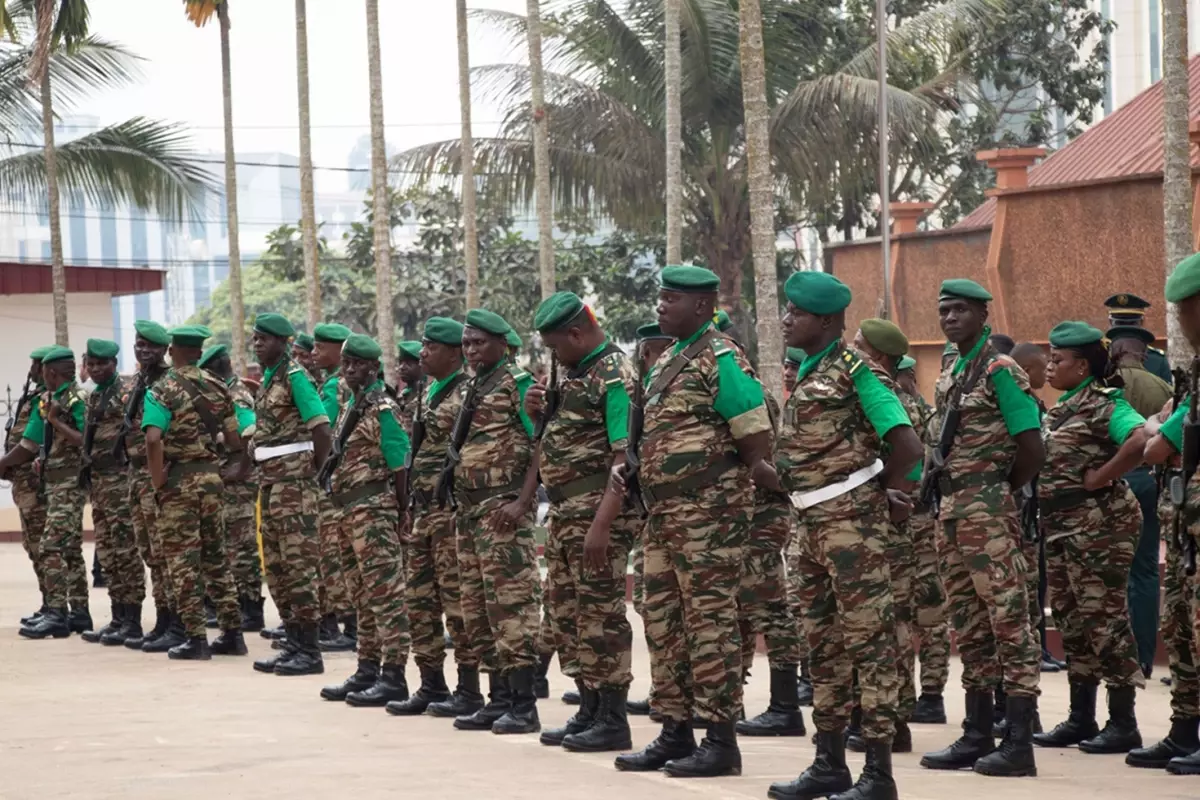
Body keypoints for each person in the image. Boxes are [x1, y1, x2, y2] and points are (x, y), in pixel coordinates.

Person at [612, 266, 773, 779]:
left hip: (710, 513)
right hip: (663, 513)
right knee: (660, 619)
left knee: (709, 621)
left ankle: (721, 739)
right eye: (660, 298)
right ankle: (674, 728)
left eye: (672, 299)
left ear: (703, 307)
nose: (661, 306)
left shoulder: (722, 357)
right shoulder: (667, 363)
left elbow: (755, 435)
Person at [766, 279, 920, 800]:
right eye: (788, 311)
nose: (788, 320)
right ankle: (828, 762)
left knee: (870, 645)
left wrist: (879, 490)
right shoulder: (811, 370)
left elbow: (907, 442)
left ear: (828, 323)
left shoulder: (858, 371)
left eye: (798, 313)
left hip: (851, 524)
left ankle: (878, 774)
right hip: (809, 524)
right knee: (823, 646)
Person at [920, 279, 1044, 779]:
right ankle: (977, 733)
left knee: (1010, 622)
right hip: (952, 512)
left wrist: (998, 489)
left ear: (983, 314)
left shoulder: (1000, 369)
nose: (950, 319)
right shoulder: (952, 370)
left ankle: (1018, 742)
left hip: (988, 512)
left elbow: (1032, 447)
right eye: (945, 311)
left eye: (961, 311)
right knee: (968, 625)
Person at [526, 292, 641, 752]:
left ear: (576, 333)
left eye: (556, 345)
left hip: (596, 513)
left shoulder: (614, 373)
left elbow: (623, 457)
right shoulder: (576, 371)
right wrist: (540, 411)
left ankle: (613, 718)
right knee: (571, 613)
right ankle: (590, 709)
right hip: (567, 513)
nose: (553, 355)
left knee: (600, 615)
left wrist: (602, 525)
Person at [1031, 321, 1146, 753]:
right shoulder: (1063, 407)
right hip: (1062, 528)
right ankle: (1082, 718)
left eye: (1058, 360)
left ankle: (1124, 722)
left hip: (1100, 526)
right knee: (1072, 621)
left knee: (1105, 619)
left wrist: (1101, 476)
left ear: (1082, 365)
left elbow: (1139, 438)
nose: (1049, 365)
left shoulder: (1104, 403)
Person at [443, 309, 543, 735]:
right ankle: (498, 698)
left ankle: (524, 705)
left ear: (503, 344)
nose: (470, 350)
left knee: (511, 608)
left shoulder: (517, 386)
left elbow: (541, 443)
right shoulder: (473, 388)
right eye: (466, 343)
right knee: (477, 609)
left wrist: (523, 501)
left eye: (478, 342)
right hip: (470, 514)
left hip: (502, 513)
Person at [386, 317, 479, 717]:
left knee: (457, 602)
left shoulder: (467, 393)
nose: (421, 353)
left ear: (455, 354)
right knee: (419, 600)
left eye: (431, 347)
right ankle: (431, 684)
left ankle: (470, 689)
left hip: (451, 513)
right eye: (422, 345)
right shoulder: (427, 390)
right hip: (424, 511)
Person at [848, 317, 933, 754]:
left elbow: (913, 462)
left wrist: (890, 494)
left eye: (859, 345)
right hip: (872, 523)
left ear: (878, 356)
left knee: (892, 622)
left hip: (892, 527)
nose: (852, 349)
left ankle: (895, 719)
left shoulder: (897, 402)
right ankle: (873, 715)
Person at [1131, 253, 1200, 775]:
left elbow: (1156, 446)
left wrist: (1161, 435)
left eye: (1186, 312)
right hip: (1186, 532)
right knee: (1180, 628)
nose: (1181, 324)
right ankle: (1183, 733)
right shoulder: (1195, 378)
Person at [318, 334, 412, 706]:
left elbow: (400, 462)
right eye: (346, 363)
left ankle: (394, 675)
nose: (349, 369)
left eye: (357, 363)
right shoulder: (353, 404)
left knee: (386, 595)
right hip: (349, 512)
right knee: (362, 596)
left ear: (373, 367)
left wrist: (404, 511)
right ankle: (367, 668)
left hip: (373, 512)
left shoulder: (383, 407)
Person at [142, 325, 247, 660]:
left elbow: (153, 439)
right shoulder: (218, 385)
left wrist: (158, 480)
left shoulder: (162, 388)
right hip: (212, 481)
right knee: (216, 557)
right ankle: (232, 634)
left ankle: (196, 638)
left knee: (182, 561)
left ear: (172, 351)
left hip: (178, 486)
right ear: (199, 353)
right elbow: (234, 440)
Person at [241, 313, 333, 676]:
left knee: (298, 570)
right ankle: (293, 644)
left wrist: (318, 477)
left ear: (282, 342)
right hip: (271, 484)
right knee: (277, 570)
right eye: (255, 338)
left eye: (264, 339)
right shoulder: (269, 379)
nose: (257, 344)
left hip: (295, 487)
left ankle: (310, 651)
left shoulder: (295, 378)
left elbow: (322, 429)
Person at [0, 347, 90, 638]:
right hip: (54, 483)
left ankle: (57, 613)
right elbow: (32, 443)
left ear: (50, 372)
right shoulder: (48, 399)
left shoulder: (75, 399)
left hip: (70, 483)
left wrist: (55, 421)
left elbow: (84, 440)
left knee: (50, 546)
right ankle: (78, 613)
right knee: (70, 549)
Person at [1108, 325, 1174, 677]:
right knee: (1145, 571)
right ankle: (1145, 658)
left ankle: (1117, 660)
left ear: (1114, 349)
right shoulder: (1162, 387)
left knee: (1107, 574)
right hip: (1149, 481)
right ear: (1143, 354)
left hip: (1112, 481)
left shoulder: (1104, 382)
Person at [118, 321, 183, 651]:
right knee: (150, 552)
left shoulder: (169, 383)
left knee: (165, 551)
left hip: (158, 475)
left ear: (164, 351)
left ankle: (177, 621)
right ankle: (162, 618)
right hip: (137, 475)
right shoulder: (139, 381)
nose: (144, 350)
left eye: (151, 346)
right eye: (139, 344)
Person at [896, 355, 951, 726]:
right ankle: (931, 694)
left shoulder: (895, 406)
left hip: (907, 519)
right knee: (930, 608)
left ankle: (914, 696)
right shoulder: (930, 413)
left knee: (906, 609)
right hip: (923, 516)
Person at [78, 339, 145, 646]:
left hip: (120, 480)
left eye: (101, 364)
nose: (94, 369)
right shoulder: (95, 396)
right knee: (107, 552)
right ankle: (118, 616)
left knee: (125, 550)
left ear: (113, 365)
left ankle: (132, 620)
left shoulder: (126, 393)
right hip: (100, 482)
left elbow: (137, 433)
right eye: (91, 364)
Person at [624, 322, 674, 720]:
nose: (643, 360)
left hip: (704, 518)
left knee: (709, 616)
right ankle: (667, 696)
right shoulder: (647, 392)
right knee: (654, 608)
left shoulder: (720, 366)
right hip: (655, 515)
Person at [200, 344, 265, 632]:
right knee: (228, 543)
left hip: (238, 479)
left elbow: (249, 433)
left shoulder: (237, 395)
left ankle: (251, 608)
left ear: (215, 367)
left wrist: (239, 466)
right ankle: (237, 605)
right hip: (227, 477)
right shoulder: (223, 392)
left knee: (241, 544)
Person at [1010, 342, 1060, 678]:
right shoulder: (1019, 403)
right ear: (1028, 370)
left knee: (1035, 585)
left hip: (1030, 509)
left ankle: (1039, 648)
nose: (1049, 372)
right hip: (1020, 510)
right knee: (1026, 588)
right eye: (1044, 366)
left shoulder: (1032, 401)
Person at [311, 322, 356, 653]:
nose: (314, 353)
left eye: (320, 347)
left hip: (334, 480)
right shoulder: (348, 384)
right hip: (347, 479)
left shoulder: (332, 387)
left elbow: (323, 432)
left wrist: (323, 474)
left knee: (329, 555)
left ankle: (343, 626)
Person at [9, 346, 53, 627]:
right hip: (24, 482)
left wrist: (3, 463)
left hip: (36, 484)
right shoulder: (32, 396)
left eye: (35, 364)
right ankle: (48, 603)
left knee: (43, 546)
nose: (31, 369)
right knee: (32, 545)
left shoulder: (43, 400)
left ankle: (57, 607)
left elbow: (30, 444)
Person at [1104, 293, 1172, 385]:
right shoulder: (1157, 360)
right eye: (1120, 323)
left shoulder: (1102, 358)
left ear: (1111, 322)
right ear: (1142, 322)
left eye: (1131, 323)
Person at [396, 340, 425, 431]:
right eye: (400, 362)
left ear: (421, 364)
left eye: (408, 363)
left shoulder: (426, 396)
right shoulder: (402, 395)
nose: (401, 367)